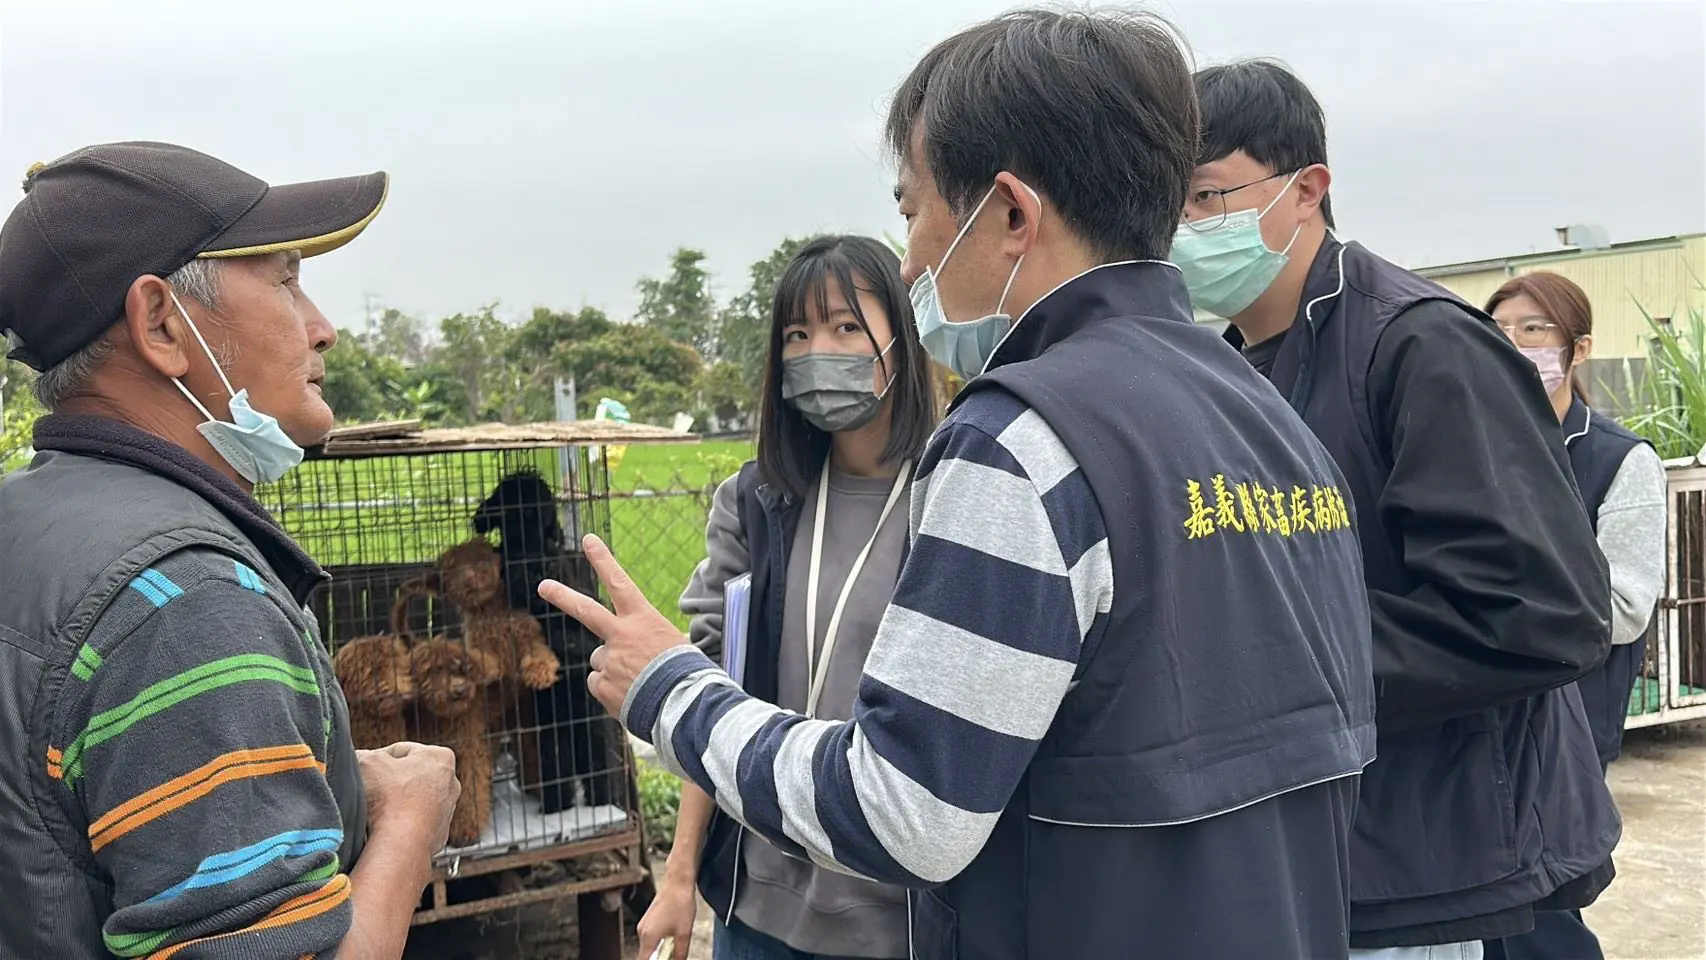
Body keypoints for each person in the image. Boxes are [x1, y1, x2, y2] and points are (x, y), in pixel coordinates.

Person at [545, 11, 1377, 959]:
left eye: (913, 211)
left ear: (1013, 214)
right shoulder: (1268, 415)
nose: (908, 262)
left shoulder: (1023, 437)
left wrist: (671, 690)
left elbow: (906, 808)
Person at [1175, 60, 1619, 960]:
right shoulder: (1226, 367)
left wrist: (1269, 668)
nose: (1182, 230)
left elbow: (1539, 614)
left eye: (1206, 197)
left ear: (1308, 190)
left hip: (1440, 861)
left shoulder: (1417, 346)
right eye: (1165, 207)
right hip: (1324, 852)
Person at [0, 142, 460, 959]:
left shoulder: (26, 524)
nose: (325, 329)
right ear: (161, 325)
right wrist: (409, 823)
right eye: (285, 280)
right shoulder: (188, 603)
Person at [638, 235, 937, 960]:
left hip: (905, 920)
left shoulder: (955, 497)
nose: (815, 353)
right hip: (757, 910)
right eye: (796, 335)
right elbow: (712, 698)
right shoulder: (756, 503)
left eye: (843, 326)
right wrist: (679, 874)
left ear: (901, 332)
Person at [1482, 272, 1667, 960]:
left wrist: (1500, 605)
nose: (1515, 344)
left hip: (1572, 716)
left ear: (1579, 348)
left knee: (1543, 899)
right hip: (1481, 707)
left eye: (1535, 329)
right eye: (1499, 330)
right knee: (1490, 895)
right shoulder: (1474, 448)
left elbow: (1622, 606)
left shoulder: (1619, 460)